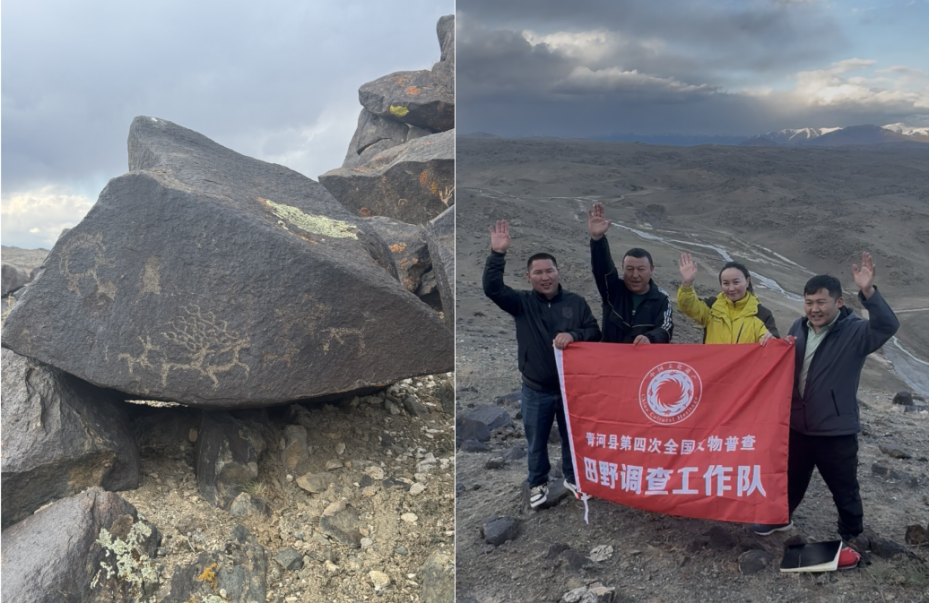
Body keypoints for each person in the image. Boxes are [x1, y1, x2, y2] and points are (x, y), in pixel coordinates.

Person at [750, 252, 899, 569]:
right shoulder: (798, 326)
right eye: (809, 302)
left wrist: (869, 292)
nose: (814, 309)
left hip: (835, 430)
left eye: (821, 302)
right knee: (790, 479)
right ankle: (779, 518)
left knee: (844, 488)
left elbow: (888, 325)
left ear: (839, 302)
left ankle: (852, 535)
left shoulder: (857, 332)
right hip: (798, 426)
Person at [483, 219, 601, 509]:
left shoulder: (576, 302)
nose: (545, 276)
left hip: (571, 388)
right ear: (528, 276)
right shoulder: (521, 303)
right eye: (538, 272)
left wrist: (573, 334)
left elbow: (594, 332)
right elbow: (492, 289)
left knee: (572, 438)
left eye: (549, 270)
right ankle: (537, 483)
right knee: (536, 441)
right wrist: (497, 255)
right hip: (535, 389)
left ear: (558, 272)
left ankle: (574, 479)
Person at [587, 203, 673, 344]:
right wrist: (597, 240)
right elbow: (602, 269)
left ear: (651, 269)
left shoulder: (661, 299)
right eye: (630, 269)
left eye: (641, 269)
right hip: (611, 360)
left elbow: (665, 328)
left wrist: (649, 338)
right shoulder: (613, 289)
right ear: (622, 268)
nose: (635, 275)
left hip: (642, 362)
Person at [676, 253, 779, 344]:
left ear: (747, 281)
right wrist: (687, 283)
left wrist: (771, 341)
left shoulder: (762, 314)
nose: (731, 288)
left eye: (736, 282)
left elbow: (773, 345)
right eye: (726, 283)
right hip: (715, 366)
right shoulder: (712, 307)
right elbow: (687, 306)